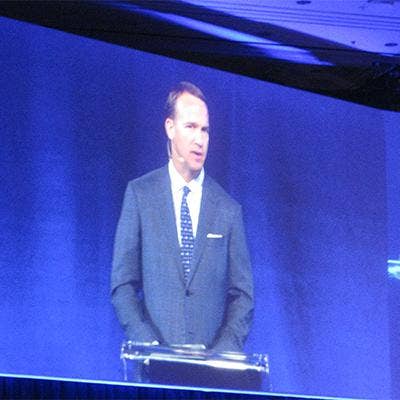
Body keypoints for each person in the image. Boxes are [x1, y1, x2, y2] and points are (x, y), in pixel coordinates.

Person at [111, 82, 253, 352]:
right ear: (170, 127)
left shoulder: (228, 209)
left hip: (211, 368)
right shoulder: (141, 195)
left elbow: (242, 297)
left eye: (205, 130)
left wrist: (221, 354)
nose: (199, 139)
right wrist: (148, 345)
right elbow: (123, 284)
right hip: (153, 364)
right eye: (190, 127)